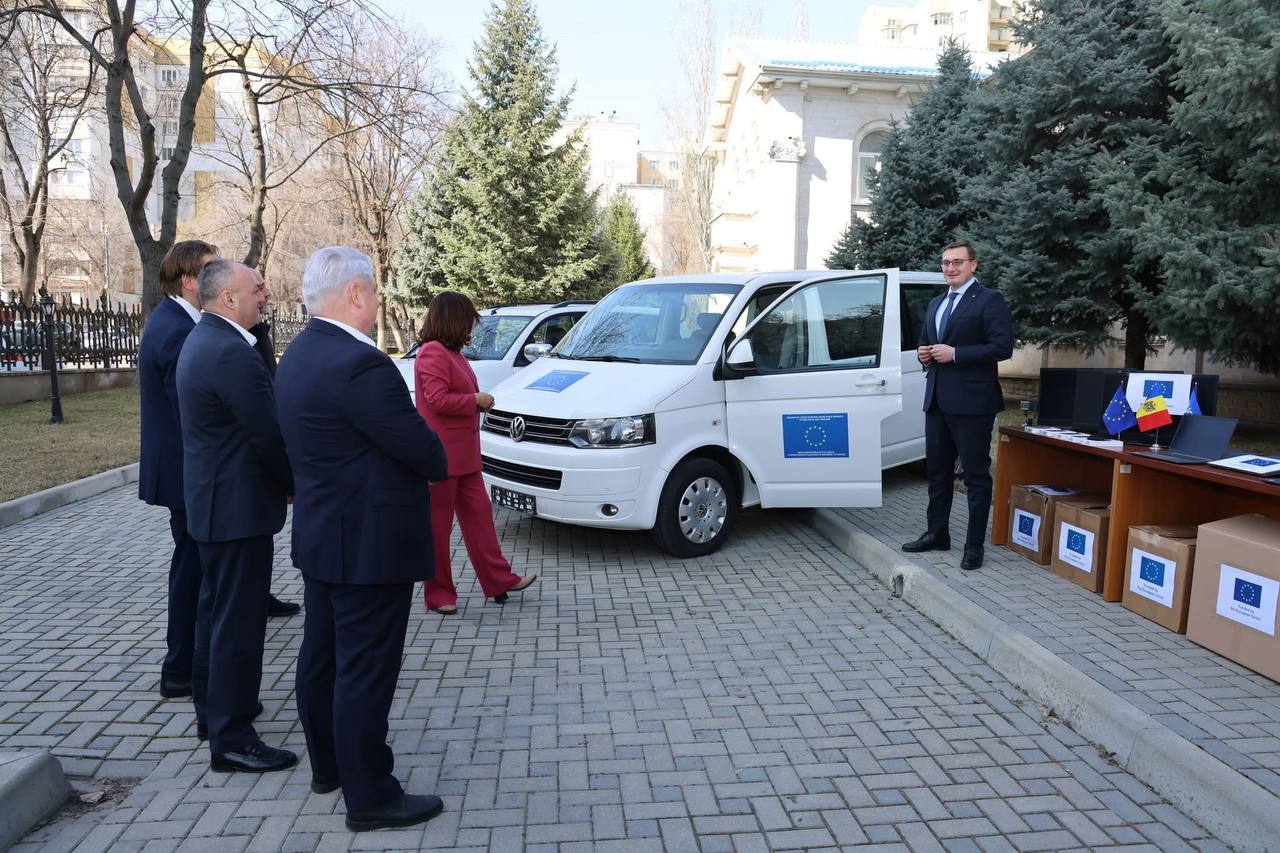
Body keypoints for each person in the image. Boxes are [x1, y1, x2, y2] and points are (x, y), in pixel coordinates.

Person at [275, 247, 449, 832]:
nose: (377, 302)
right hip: (370, 546)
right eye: (374, 291)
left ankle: (330, 766)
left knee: (322, 657)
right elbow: (425, 452)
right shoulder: (360, 364)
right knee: (364, 670)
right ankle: (370, 795)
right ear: (354, 293)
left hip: (325, 537)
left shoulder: (299, 352)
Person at [176, 260, 297, 772]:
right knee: (238, 625)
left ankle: (215, 713)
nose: (264, 295)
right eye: (255, 290)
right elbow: (267, 433)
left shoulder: (206, 339)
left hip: (216, 505)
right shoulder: (229, 352)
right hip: (236, 508)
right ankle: (232, 738)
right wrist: (292, 484)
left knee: (215, 615)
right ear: (228, 298)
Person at [415, 292, 537, 615]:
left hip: (465, 457)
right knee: (438, 530)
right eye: (468, 319)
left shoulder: (453, 353)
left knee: (480, 520)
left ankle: (499, 580)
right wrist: (475, 401)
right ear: (453, 319)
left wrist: (476, 401)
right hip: (441, 459)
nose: (471, 325)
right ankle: (438, 594)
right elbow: (437, 399)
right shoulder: (432, 352)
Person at [903, 241, 1013, 570]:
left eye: (957, 262)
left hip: (973, 404)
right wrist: (924, 353)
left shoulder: (989, 299)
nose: (950, 268)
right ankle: (937, 534)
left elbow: (1002, 347)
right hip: (937, 400)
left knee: (975, 476)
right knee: (937, 474)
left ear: (973, 265)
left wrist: (956, 354)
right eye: (946, 263)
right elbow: (926, 341)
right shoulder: (936, 302)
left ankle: (974, 546)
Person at [138, 240, 217, 700]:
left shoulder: (178, 321)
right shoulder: (176, 329)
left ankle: (183, 664)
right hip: (186, 474)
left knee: (193, 568)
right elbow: (189, 412)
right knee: (191, 572)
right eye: (209, 270)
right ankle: (180, 669)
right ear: (188, 280)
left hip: (185, 471)